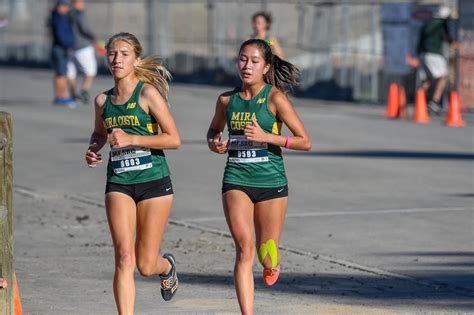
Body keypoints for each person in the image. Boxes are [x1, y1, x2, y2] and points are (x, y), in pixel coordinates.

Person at [206, 39, 312, 314]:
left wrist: (268, 137)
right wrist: (215, 143)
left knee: (267, 255)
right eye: (243, 59)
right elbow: (213, 132)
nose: (247, 66)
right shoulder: (226, 100)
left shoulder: (275, 98)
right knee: (244, 248)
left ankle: (272, 263)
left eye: (254, 61)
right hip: (236, 179)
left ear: (266, 67)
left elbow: (305, 141)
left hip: (271, 183)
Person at [84, 32, 180, 313]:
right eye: (112, 53)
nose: (117, 59)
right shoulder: (103, 101)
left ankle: (167, 267)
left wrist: (133, 139)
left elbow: (174, 139)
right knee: (124, 257)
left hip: (154, 182)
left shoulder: (148, 94)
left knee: (145, 264)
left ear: (136, 59)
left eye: (124, 53)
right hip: (119, 182)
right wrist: (93, 148)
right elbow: (99, 133)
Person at [416, 6, 455, 114]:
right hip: (434, 55)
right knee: (443, 77)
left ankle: (419, 101)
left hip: (424, 54)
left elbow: (420, 40)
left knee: (427, 80)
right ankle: (434, 102)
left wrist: (418, 54)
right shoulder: (441, 24)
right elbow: (448, 38)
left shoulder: (427, 23)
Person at [67, 0, 98, 105]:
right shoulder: (79, 14)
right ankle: (84, 91)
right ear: (76, 3)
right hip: (82, 47)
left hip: (69, 47)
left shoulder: (67, 14)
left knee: (71, 71)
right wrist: (93, 37)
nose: (83, 4)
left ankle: (73, 93)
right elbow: (84, 28)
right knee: (90, 71)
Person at [50, 0, 76, 107]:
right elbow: (61, 35)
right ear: (60, 7)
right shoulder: (58, 18)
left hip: (63, 48)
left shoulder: (63, 17)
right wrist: (68, 45)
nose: (67, 9)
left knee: (62, 73)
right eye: (66, 6)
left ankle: (62, 96)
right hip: (60, 48)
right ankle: (61, 96)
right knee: (61, 74)